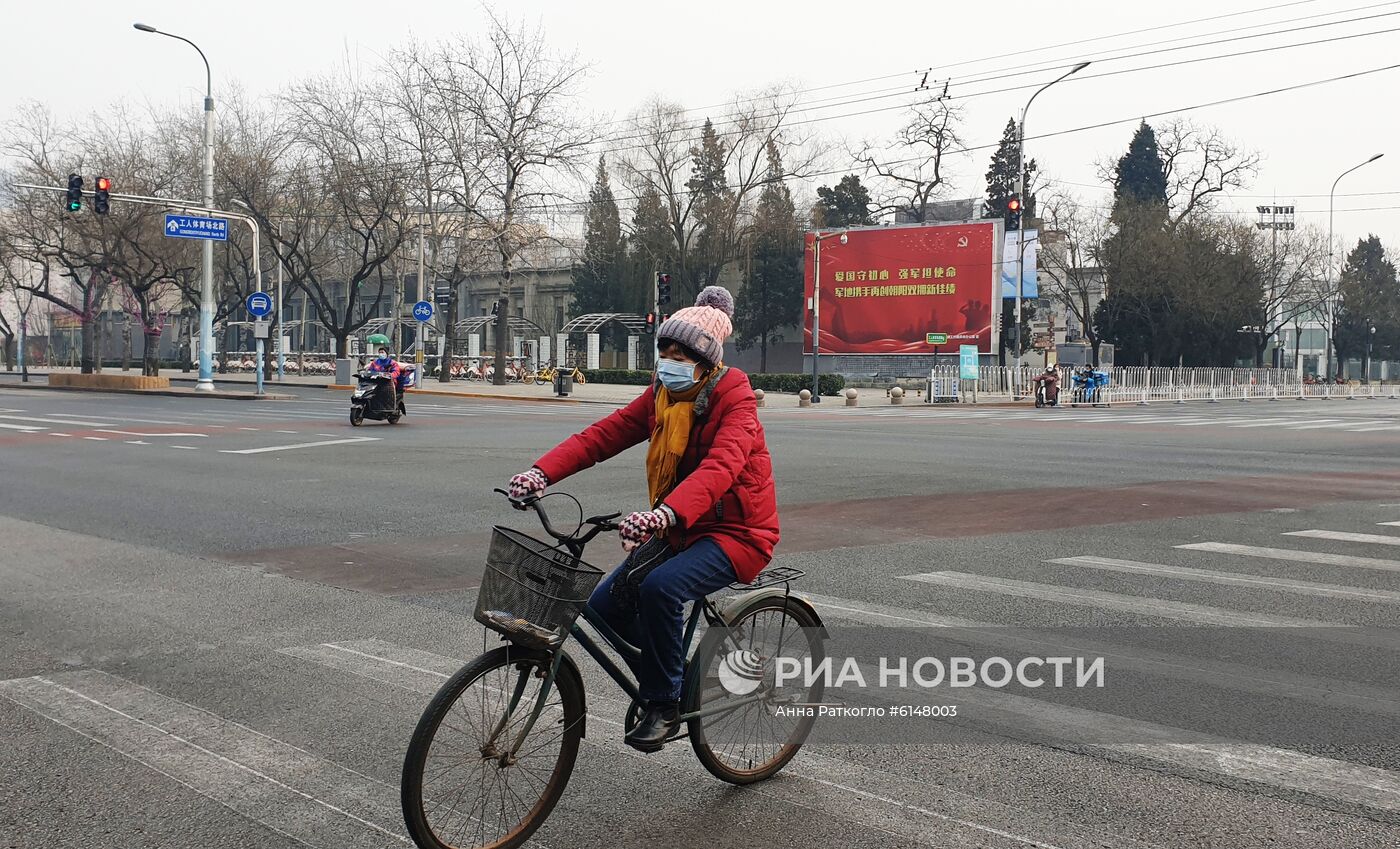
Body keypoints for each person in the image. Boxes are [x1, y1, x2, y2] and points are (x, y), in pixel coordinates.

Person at [507, 286, 779, 752]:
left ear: (706, 360)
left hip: (737, 532)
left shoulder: (735, 399)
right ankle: (667, 661)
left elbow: (722, 468)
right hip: (678, 527)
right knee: (601, 604)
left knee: (661, 589)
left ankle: (664, 701)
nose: (669, 360)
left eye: (681, 353)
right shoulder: (660, 395)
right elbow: (602, 435)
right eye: (665, 350)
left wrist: (665, 513)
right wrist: (540, 472)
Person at [364, 334, 403, 408]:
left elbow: (396, 372)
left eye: (383, 352)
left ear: (386, 354)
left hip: (388, 382)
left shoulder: (392, 363)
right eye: (380, 352)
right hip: (376, 381)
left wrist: (389, 375)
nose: (381, 354)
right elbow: (370, 370)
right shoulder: (375, 362)